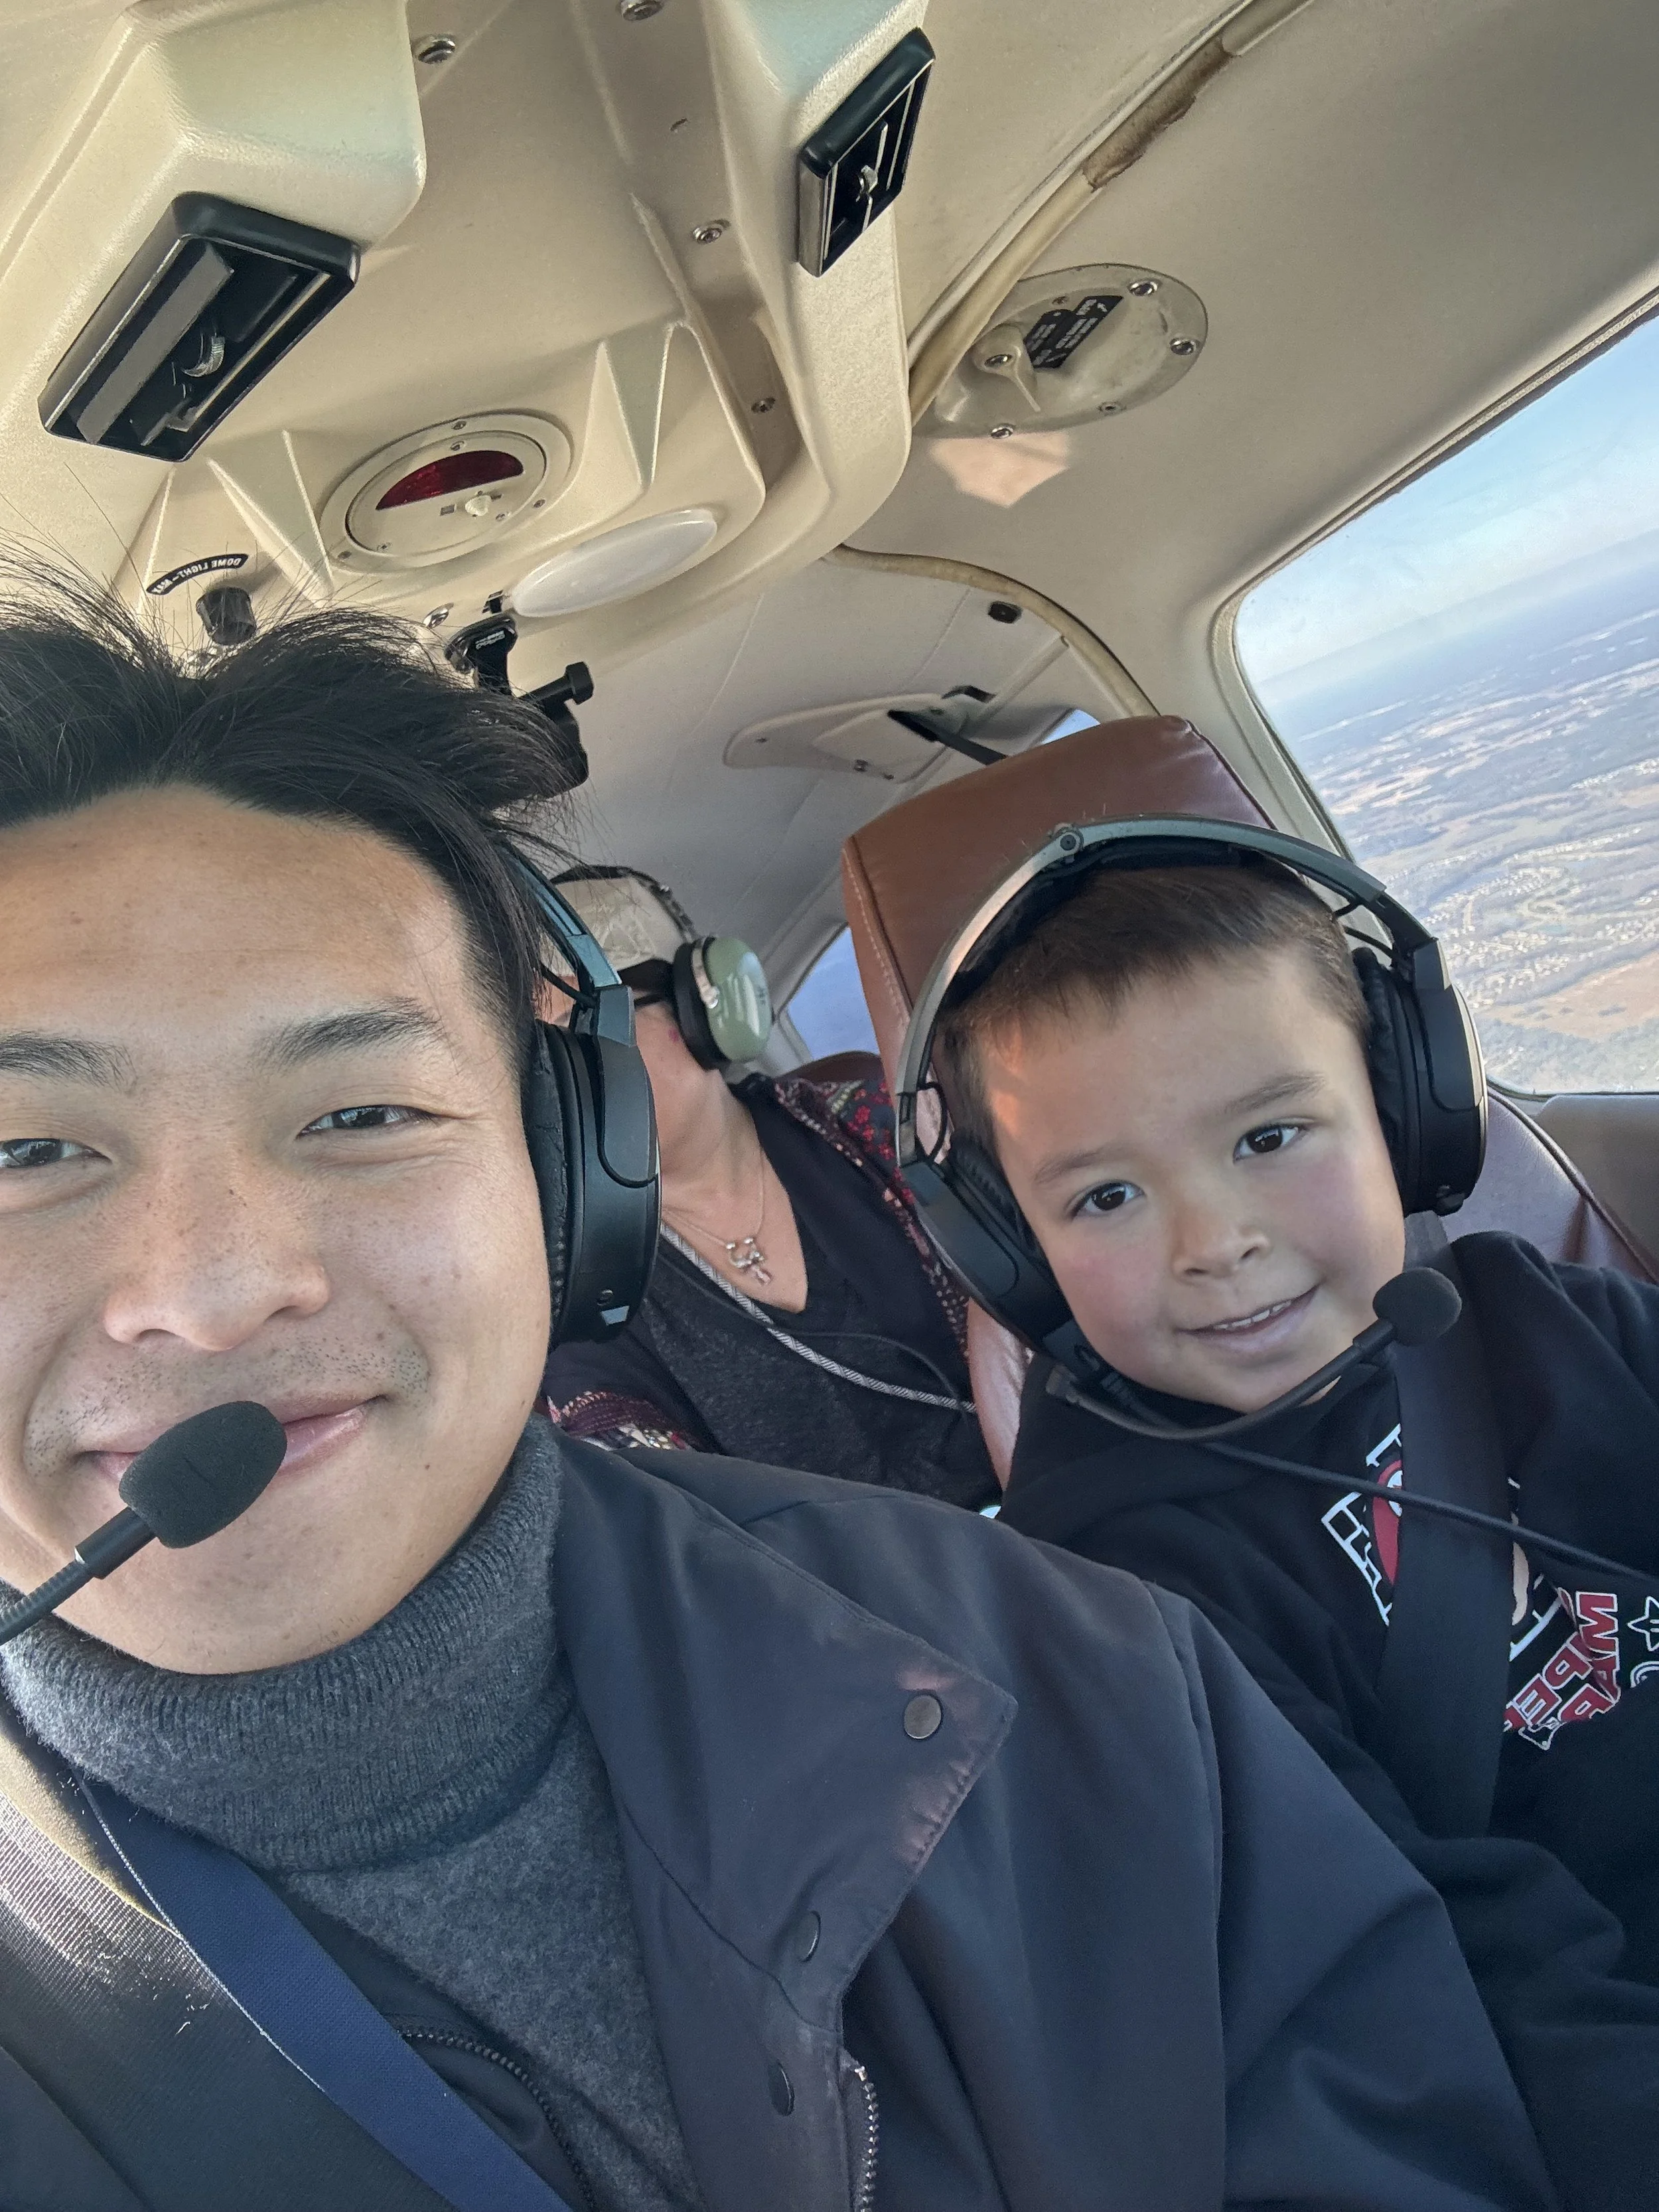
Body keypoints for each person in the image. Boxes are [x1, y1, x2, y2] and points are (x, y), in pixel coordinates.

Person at [0, 573, 1557, 2212]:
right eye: (25, 1149)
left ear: (552, 1168)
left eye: (359, 1115)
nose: (218, 1285)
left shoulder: (1088, 1682)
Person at [917, 824, 1659, 2212]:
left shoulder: (1538, 1316)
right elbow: (1476, 1975)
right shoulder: (1119, 1598)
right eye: (1106, 1195)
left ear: (1408, 1107)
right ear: (1004, 1249)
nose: (1212, 1240)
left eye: (1268, 1135)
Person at [541, 867, 996, 1507]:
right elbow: (670, 1522)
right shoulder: (582, 1307)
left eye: (589, 1027)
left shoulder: (884, 1126)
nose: (567, 1081)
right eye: (538, 1062)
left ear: (703, 1006)